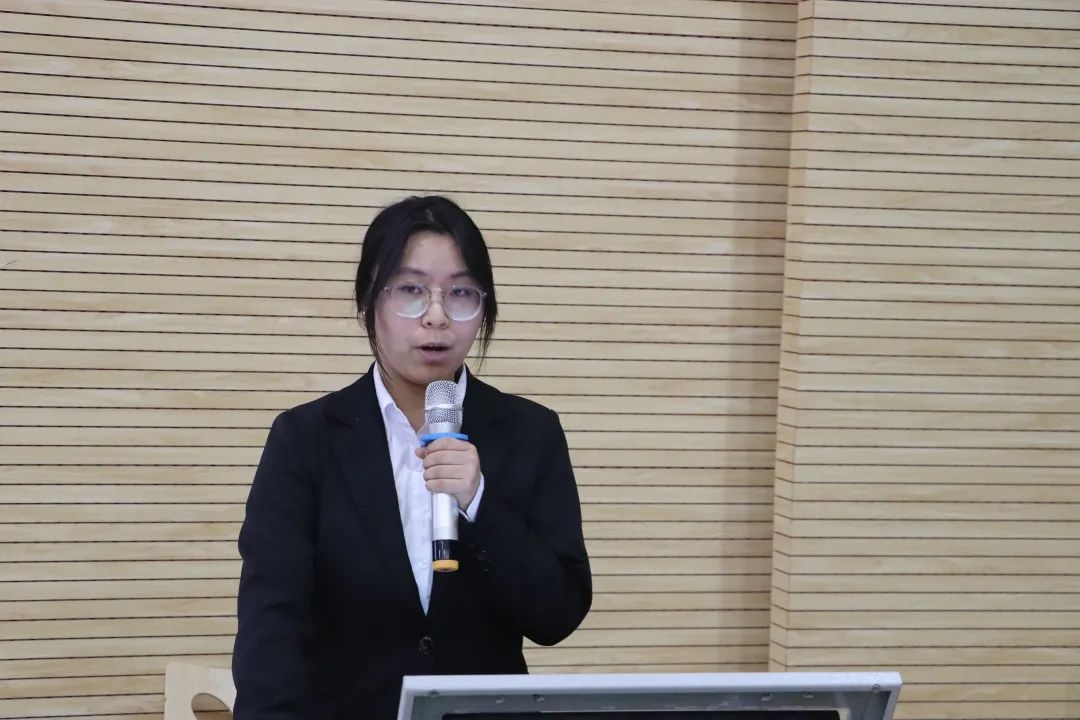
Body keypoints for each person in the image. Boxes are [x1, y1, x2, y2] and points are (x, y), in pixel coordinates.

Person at [231, 195, 592, 720]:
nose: (437, 316)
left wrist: (479, 502)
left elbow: (558, 613)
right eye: (411, 290)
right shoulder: (305, 439)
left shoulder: (530, 432)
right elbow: (271, 631)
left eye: (461, 293)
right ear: (368, 301)